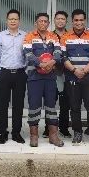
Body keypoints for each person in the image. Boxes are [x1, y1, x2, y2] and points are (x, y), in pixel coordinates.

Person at [61, 9, 89, 145]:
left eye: (81, 20)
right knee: (74, 107)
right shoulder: (65, 37)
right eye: (76, 20)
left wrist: (84, 71)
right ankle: (77, 132)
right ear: (72, 21)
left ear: (85, 21)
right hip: (72, 77)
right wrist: (74, 70)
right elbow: (63, 57)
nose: (79, 22)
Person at [24, 13, 64, 147]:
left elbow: (58, 52)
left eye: (45, 21)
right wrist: (40, 64)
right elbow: (28, 53)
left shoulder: (53, 36)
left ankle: (53, 135)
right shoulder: (29, 36)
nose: (43, 23)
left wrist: (51, 62)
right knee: (34, 106)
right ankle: (34, 135)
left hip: (50, 77)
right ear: (36, 23)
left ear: (48, 23)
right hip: (34, 77)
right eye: (40, 21)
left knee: (51, 106)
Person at [0, 9, 27, 145]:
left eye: (15, 19)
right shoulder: (0, 36)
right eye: (10, 19)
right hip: (5, 73)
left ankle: (16, 133)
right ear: (7, 20)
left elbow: (27, 55)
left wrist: (25, 71)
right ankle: (3, 133)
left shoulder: (25, 36)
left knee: (18, 105)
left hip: (20, 73)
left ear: (19, 21)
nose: (13, 21)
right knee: (2, 105)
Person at [53, 10, 71, 137]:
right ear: (54, 20)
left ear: (66, 21)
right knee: (51, 101)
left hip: (68, 72)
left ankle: (64, 128)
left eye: (63, 19)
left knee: (66, 102)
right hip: (52, 72)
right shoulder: (49, 35)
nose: (60, 21)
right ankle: (49, 128)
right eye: (58, 18)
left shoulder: (70, 36)